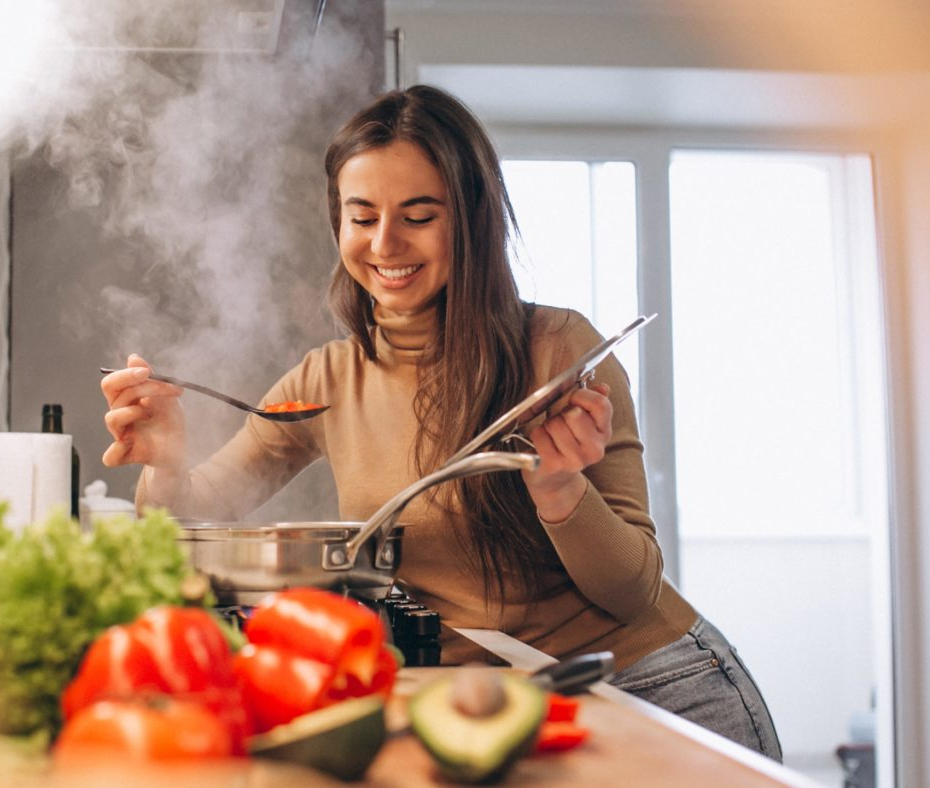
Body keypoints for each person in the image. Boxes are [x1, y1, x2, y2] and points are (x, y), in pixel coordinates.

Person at [99, 84, 781, 759]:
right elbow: (189, 519)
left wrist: (562, 492)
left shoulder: (558, 349)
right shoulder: (326, 379)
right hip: (492, 704)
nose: (384, 243)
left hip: (650, 685)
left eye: (418, 215)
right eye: (361, 216)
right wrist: (165, 461)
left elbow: (633, 593)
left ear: (471, 219)